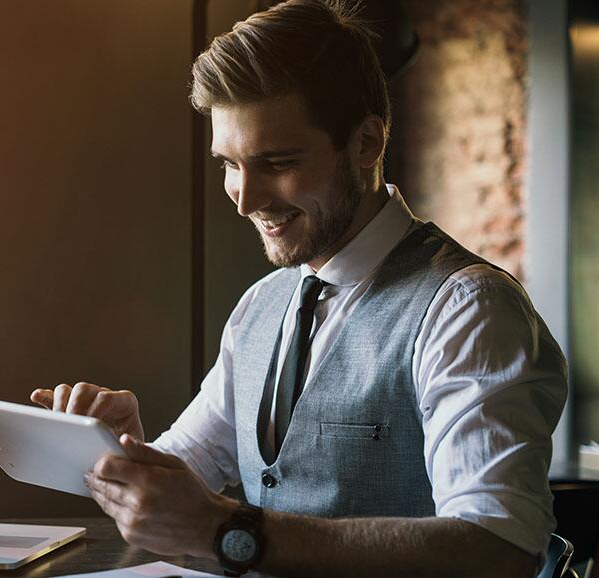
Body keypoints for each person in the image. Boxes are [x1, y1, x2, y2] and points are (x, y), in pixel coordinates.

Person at [31, 1, 567, 577]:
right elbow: (186, 478)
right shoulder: (262, 305)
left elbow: (498, 551)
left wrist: (230, 531)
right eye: (229, 164)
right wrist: (121, 453)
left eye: (276, 162)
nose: (244, 198)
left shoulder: (469, 310)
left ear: (365, 144)